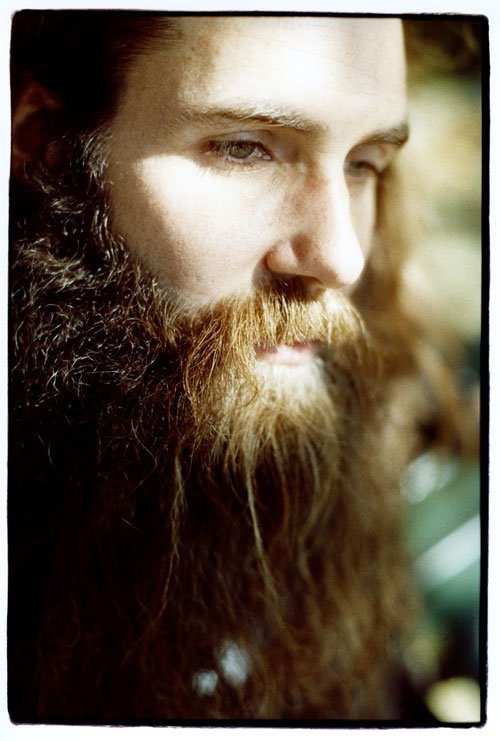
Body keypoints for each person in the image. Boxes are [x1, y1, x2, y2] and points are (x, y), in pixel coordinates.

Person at [8, 11, 477, 723]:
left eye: (364, 164)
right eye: (245, 149)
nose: (339, 258)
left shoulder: (398, 441)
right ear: (41, 142)